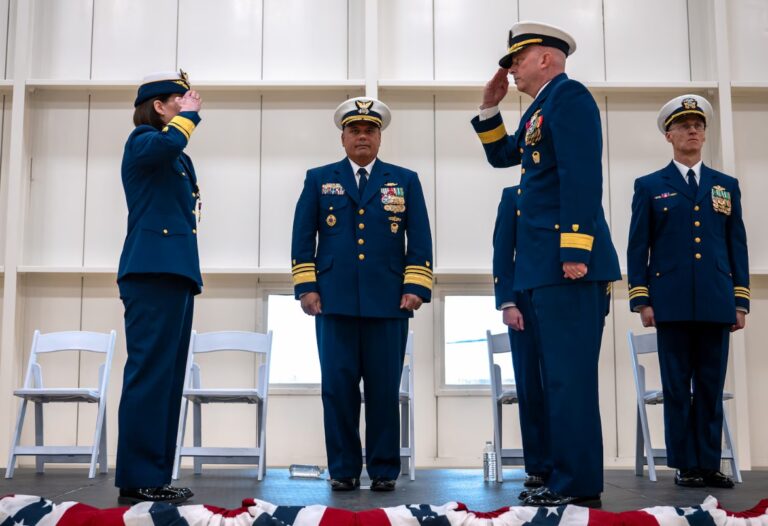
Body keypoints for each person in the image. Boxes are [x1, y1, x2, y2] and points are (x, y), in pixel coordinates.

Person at [471, 21, 620, 507]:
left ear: (545, 58)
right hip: (540, 269)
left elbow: (582, 174)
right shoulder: (540, 108)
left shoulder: (569, 97)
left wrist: (575, 249)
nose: (512, 68)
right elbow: (504, 156)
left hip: (566, 265)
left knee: (567, 380)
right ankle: (556, 473)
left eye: (518, 59)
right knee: (547, 380)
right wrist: (489, 109)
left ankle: (576, 484)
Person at [291, 97, 433, 492]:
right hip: (332, 302)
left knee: (384, 390)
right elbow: (303, 236)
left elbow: (420, 238)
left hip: (388, 302)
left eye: (369, 130)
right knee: (337, 390)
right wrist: (306, 287)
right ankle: (343, 469)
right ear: (343, 138)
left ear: (380, 137)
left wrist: (415, 286)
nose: (362, 136)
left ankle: (384, 470)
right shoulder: (319, 179)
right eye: (354, 130)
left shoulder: (404, 180)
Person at [627, 94, 749, 489]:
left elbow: (736, 244)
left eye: (698, 126)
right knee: (677, 387)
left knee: (710, 387)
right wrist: (642, 299)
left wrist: (740, 300)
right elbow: (638, 246)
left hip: (716, 300)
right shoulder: (650, 186)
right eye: (684, 126)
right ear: (669, 135)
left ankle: (709, 464)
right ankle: (685, 464)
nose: (693, 131)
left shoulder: (725, 186)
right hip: (671, 302)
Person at [115, 70, 203, 504]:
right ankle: (137, 477)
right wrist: (190, 116)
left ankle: (155, 474)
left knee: (167, 379)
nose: (186, 106)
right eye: (178, 101)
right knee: (150, 374)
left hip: (175, 271)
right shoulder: (144, 141)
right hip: (151, 271)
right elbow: (169, 143)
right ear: (158, 107)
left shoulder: (176, 157)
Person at [492, 186, 549, 489]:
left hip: (567, 305)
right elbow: (503, 251)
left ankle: (569, 463)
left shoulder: (574, 193)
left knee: (569, 391)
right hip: (525, 305)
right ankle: (538, 464)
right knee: (531, 386)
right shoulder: (513, 196)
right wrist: (508, 303)